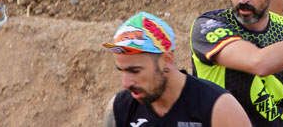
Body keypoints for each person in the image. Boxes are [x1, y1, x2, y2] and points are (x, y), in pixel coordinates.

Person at [103, 11, 251, 127]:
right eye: (121, 70)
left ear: (167, 60)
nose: (126, 83)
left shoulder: (218, 107)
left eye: (135, 71)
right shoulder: (120, 108)